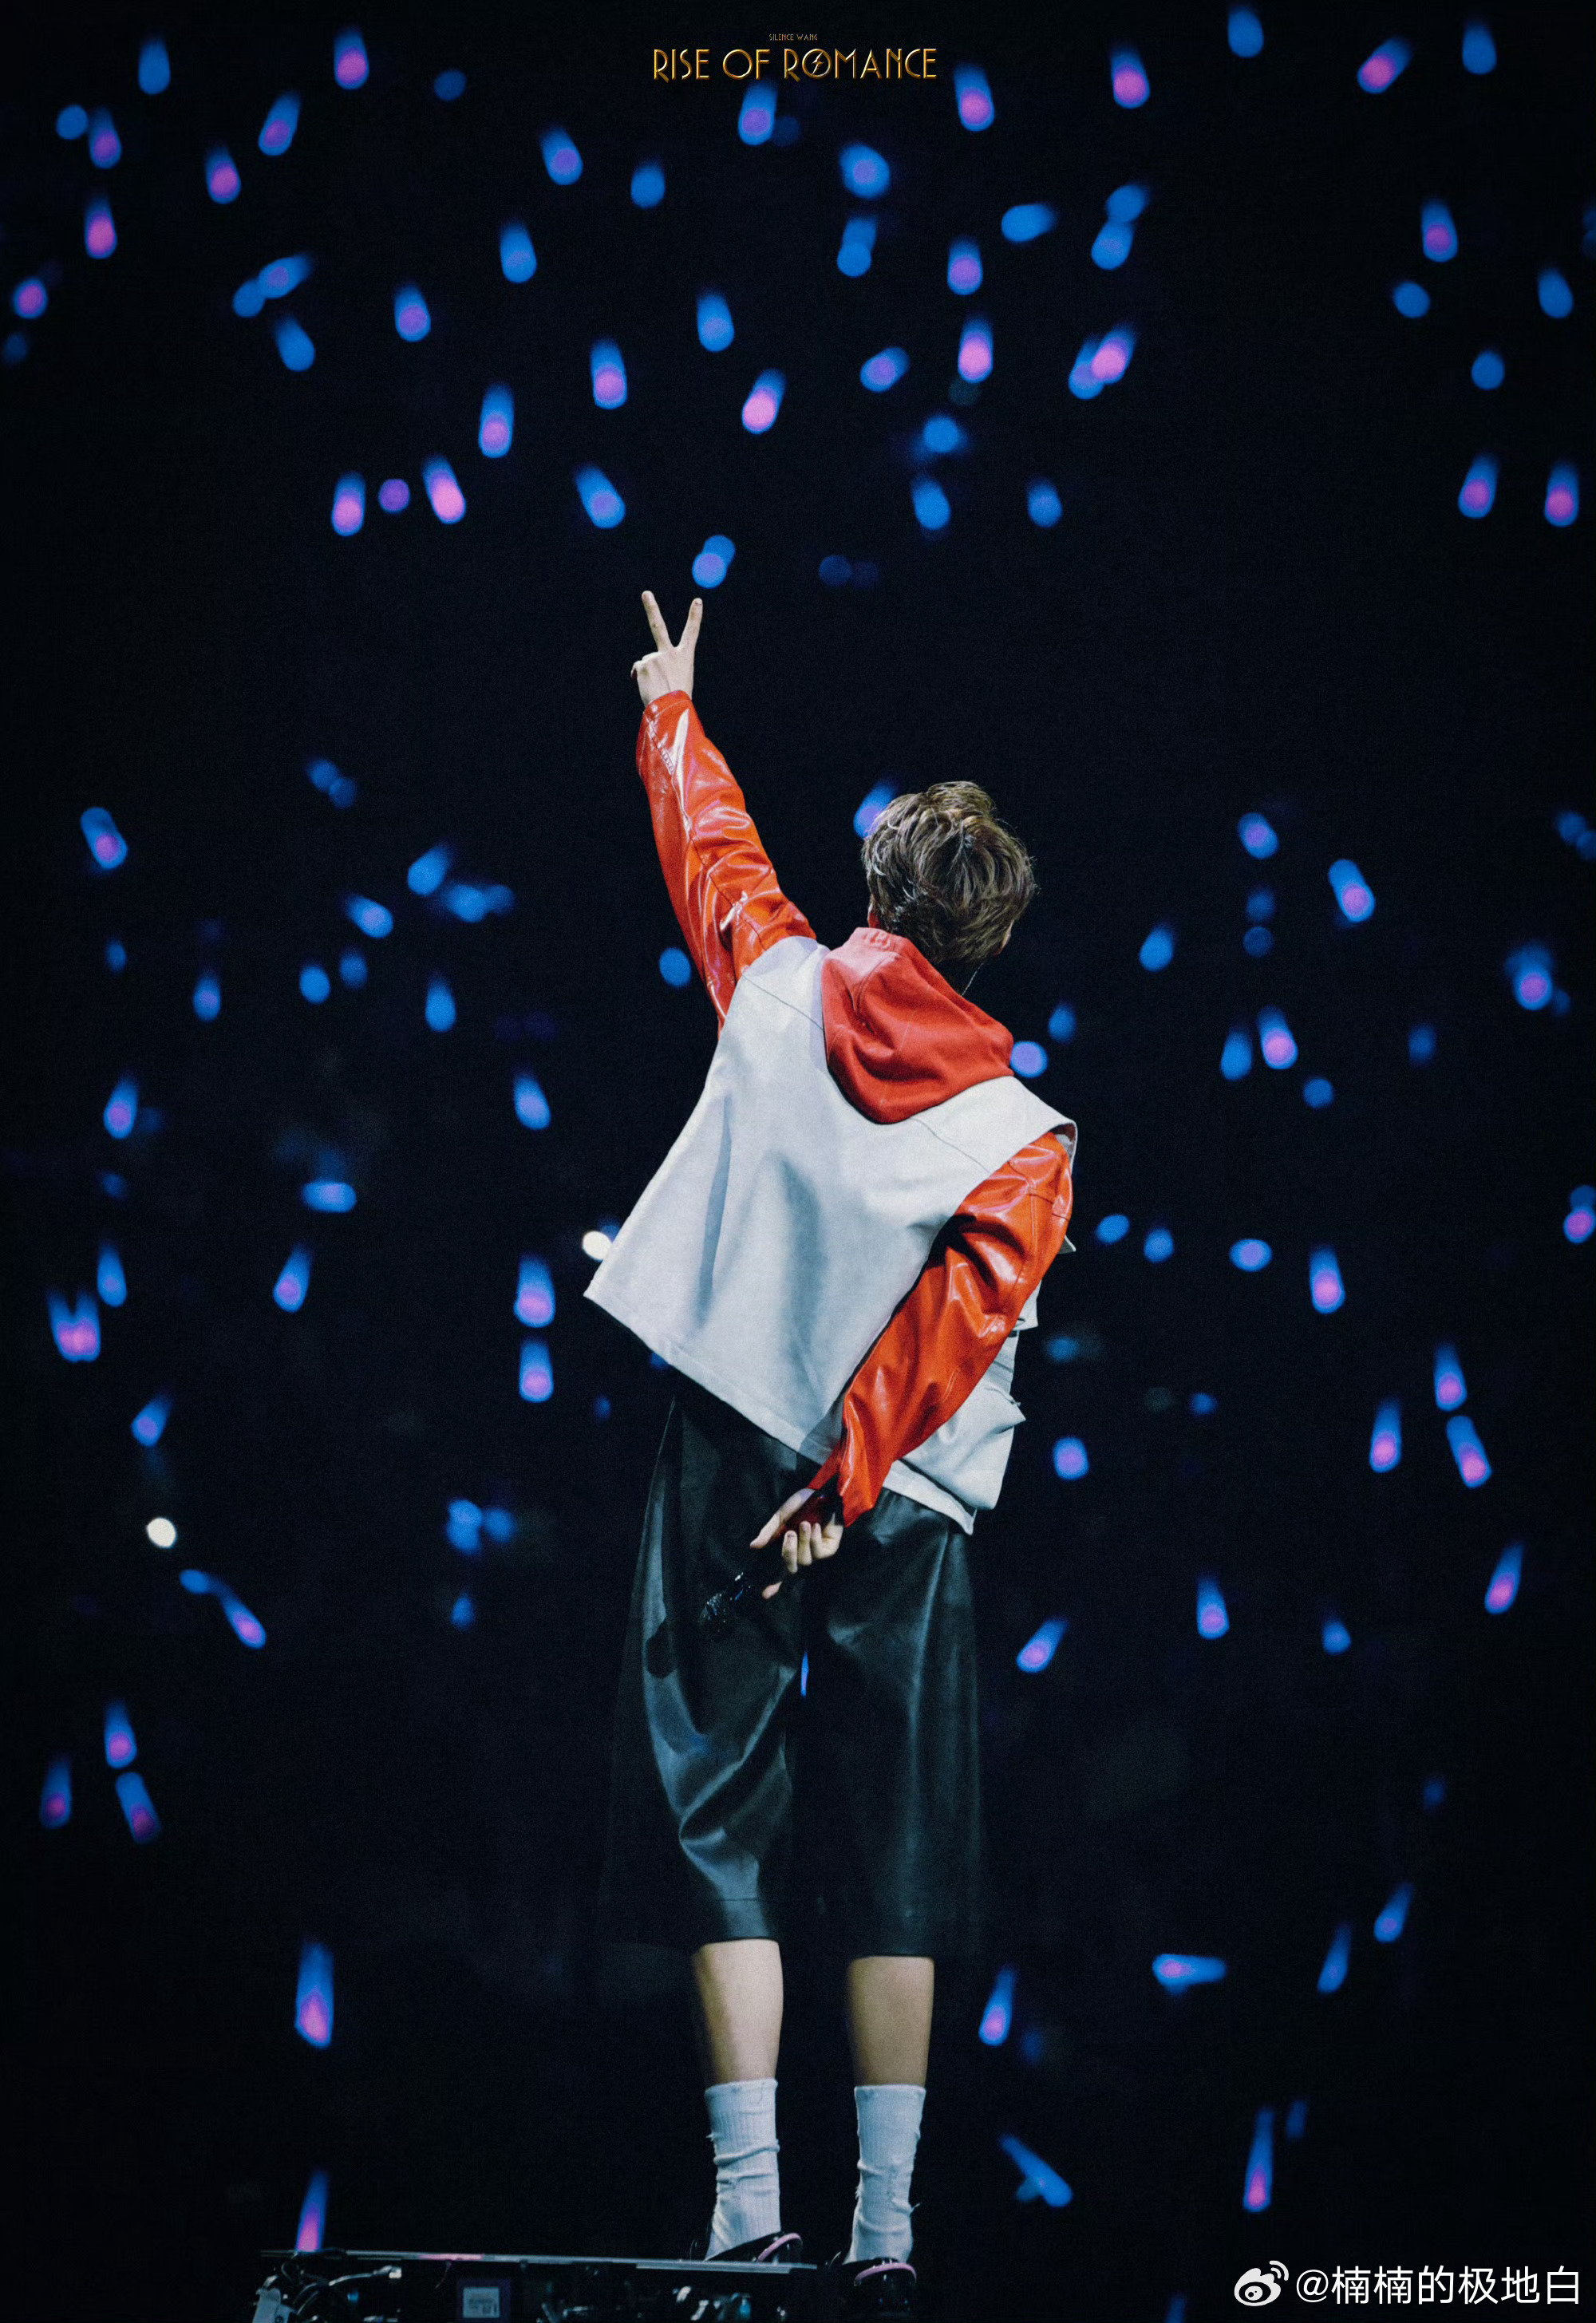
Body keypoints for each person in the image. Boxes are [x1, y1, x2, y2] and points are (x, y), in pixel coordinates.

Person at [587, 593, 1077, 2315]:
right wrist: (852, 1479)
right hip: (902, 1500)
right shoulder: (1025, 1136)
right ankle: (884, 2233)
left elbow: (714, 862)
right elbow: (959, 1327)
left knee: (717, 1817)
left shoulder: (781, 987)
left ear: (879, 892)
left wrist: (673, 712)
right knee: (897, 1850)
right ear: (991, 938)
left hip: (739, 1454)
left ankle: (746, 2215)